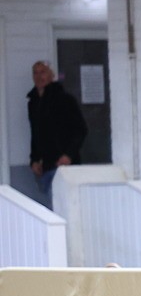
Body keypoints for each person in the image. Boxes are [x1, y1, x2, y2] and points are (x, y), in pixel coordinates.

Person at [27, 60, 88, 202]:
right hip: (45, 167)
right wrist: (34, 160)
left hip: (64, 166)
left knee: (62, 205)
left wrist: (68, 155)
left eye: (43, 72)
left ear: (52, 75)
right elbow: (35, 133)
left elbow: (81, 129)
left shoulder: (64, 99)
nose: (39, 76)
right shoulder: (33, 103)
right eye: (35, 73)